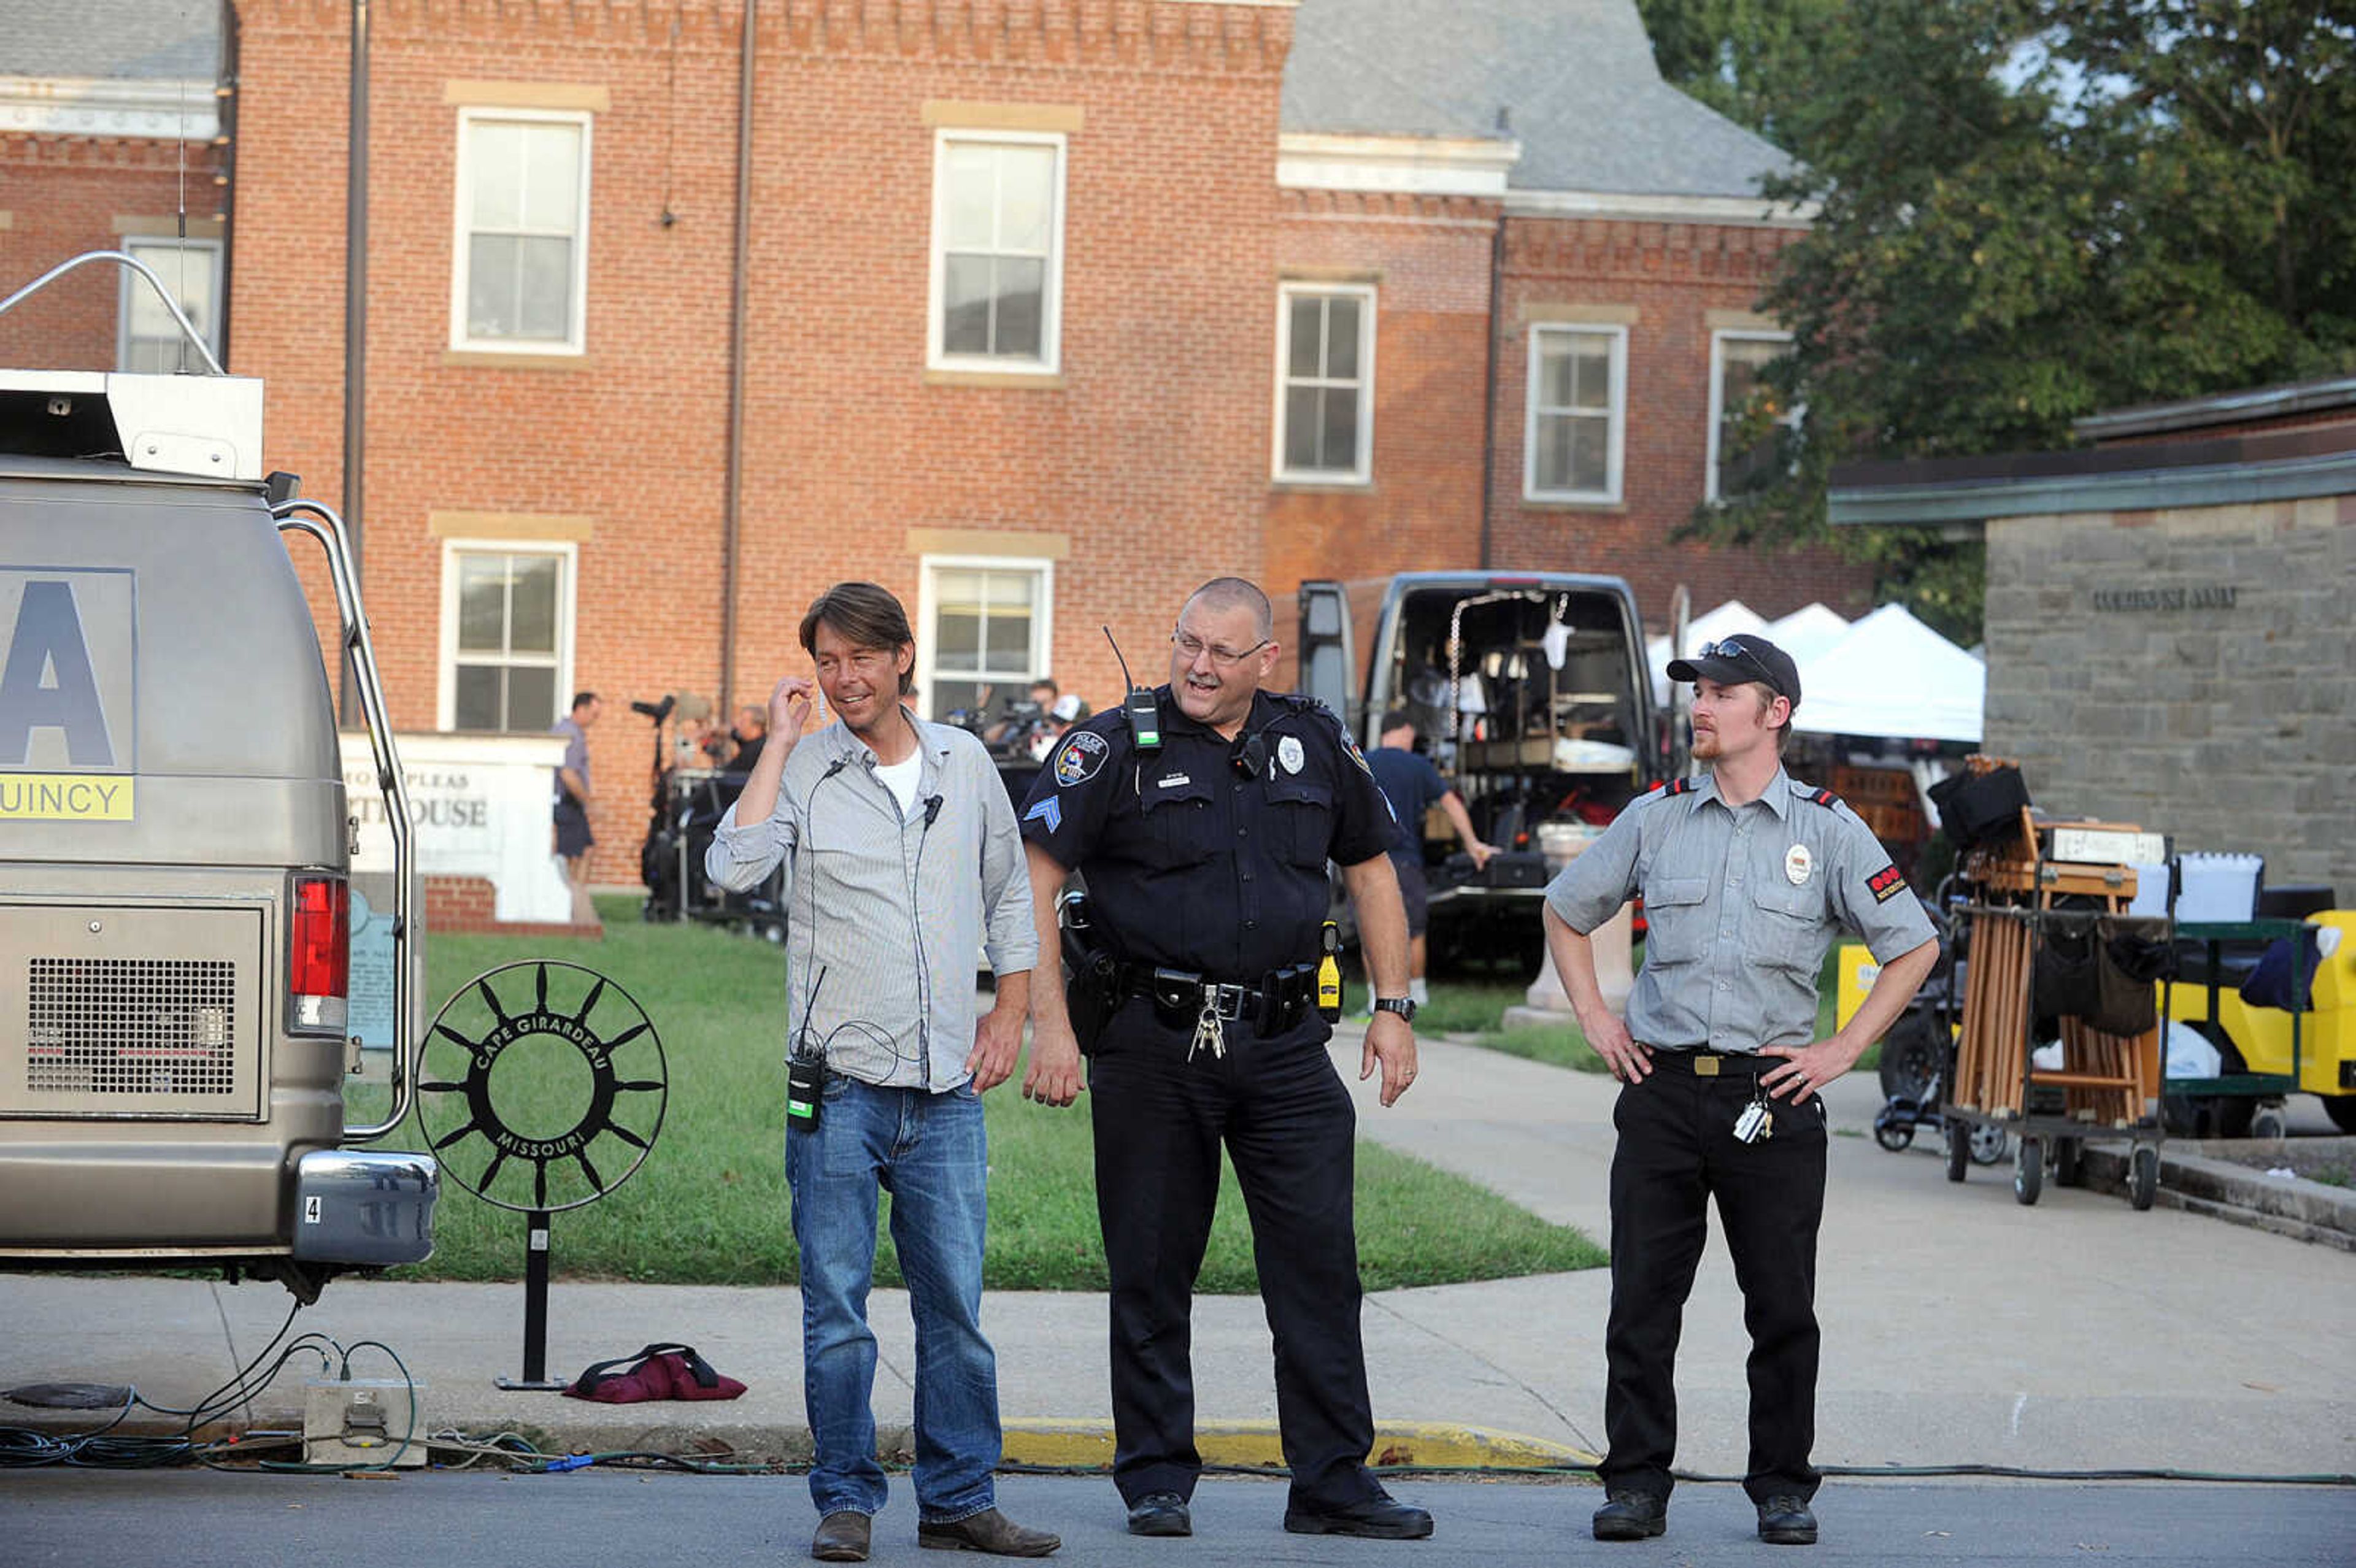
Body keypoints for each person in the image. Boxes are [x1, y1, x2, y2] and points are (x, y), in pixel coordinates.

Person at [1017, 577, 1434, 1543]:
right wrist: (1052, 1026)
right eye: (1187, 644)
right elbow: (1035, 880)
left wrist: (1395, 1008)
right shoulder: (1112, 746)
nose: (1199, 667)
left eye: (1222, 652)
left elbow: (1371, 871)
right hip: (1153, 1044)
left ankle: (1332, 1482)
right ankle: (1157, 1477)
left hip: (1288, 1047)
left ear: (1264, 662)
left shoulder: (1314, 740)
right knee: (1154, 1267)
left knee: (1320, 1268)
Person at [1540, 632, 1938, 1548]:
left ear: (1776, 713)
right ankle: (1636, 1483)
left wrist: (1842, 1050)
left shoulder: (1829, 830)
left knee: (1782, 1308)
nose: (1701, 707)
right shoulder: (1656, 818)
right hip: (1664, 1092)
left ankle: (1783, 1489)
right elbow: (1565, 910)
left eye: (1722, 693)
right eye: (1698, 692)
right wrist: (1598, 1020)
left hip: (1775, 1098)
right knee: (1643, 1302)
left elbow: (1911, 945)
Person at [704, 583, 1058, 1563]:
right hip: (840, 1089)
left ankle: (958, 1502)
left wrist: (1014, 1013)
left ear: (903, 656)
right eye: (826, 660)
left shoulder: (966, 761)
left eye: (860, 657)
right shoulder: (808, 771)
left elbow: (1008, 900)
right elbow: (731, 869)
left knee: (956, 1310)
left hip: (947, 1091)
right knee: (837, 1310)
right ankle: (847, 1501)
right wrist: (777, 744)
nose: (843, 677)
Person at [1365, 710, 1498, 1007]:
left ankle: (1376, 999)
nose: (1412, 741)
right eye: (1411, 735)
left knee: (1369, 927)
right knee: (1413, 930)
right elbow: (1450, 803)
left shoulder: (1365, 763)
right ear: (1401, 731)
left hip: (1368, 860)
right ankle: (1418, 993)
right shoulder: (1418, 766)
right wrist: (1473, 843)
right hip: (1407, 861)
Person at [550, 691, 601, 922]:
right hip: (566, 803)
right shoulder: (571, 734)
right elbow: (568, 774)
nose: (594, 719)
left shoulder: (565, 730)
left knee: (584, 851)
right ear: (580, 709)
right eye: (593, 714)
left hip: (567, 804)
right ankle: (573, 909)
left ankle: (576, 903)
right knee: (575, 856)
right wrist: (589, 803)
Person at [728, 702, 768, 774]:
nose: (738, 725)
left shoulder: (755, 750)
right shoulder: (753, 742)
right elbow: (734, 734)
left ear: (756, 727)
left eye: (742, 722)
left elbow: (730, 774)